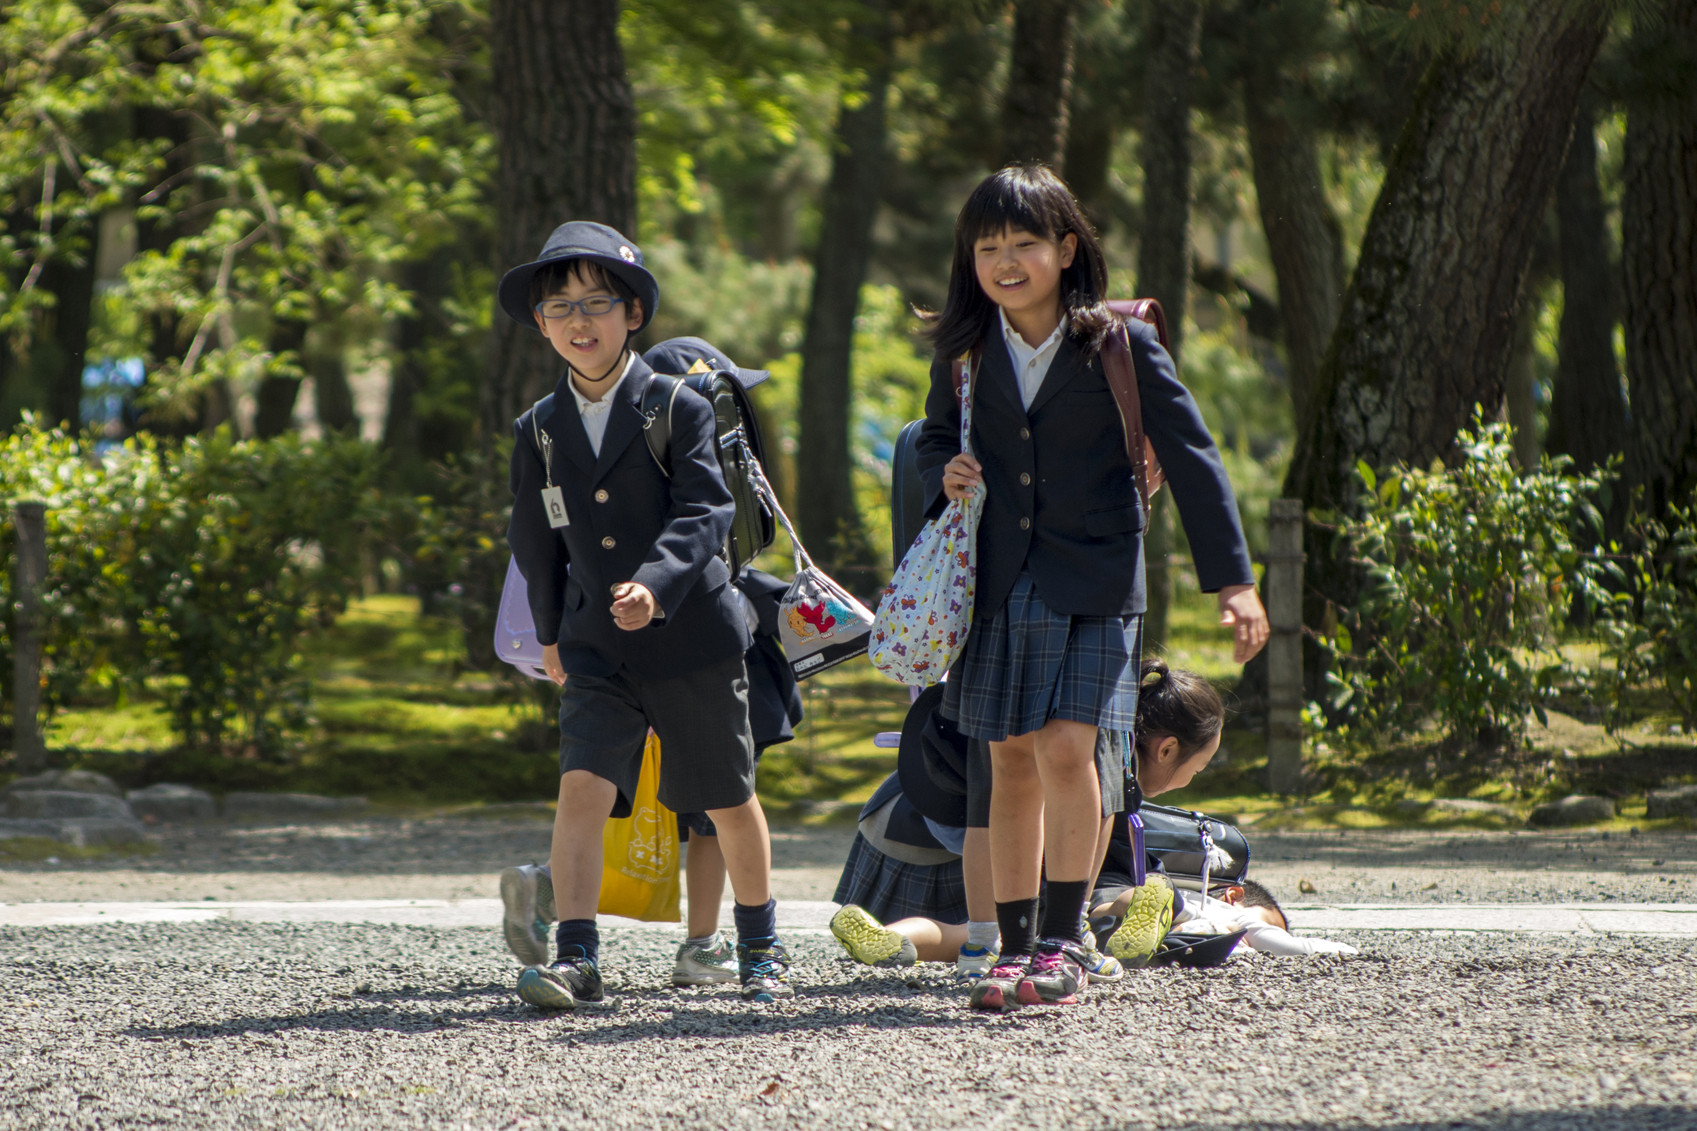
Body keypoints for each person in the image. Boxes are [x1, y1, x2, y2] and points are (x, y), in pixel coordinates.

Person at [915, 164, 1269, 1011]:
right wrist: (948, 468)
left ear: (1066, 248)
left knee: (1068, 752)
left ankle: (1063, 939)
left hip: (1099, 581)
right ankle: (1010, 946)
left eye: (1024, 243)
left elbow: (1192, 454)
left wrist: (1234, 580)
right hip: (998, 584)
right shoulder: (965, 354)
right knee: (1007, 762)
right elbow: (932, 440)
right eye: (987, 246)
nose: (1005, 260)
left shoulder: (1119, 343)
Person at [500, 222, 790, 1007]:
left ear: (632, 314)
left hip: (692, 633)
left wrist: (655, 584)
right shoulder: (538, 428)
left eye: (597, 301)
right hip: (597, 645)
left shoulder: (677, 404)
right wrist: (553, 633)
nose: (578, 319)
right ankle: (577, 955)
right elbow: (535, 540)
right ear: (540, 323)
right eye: (560, 306)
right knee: (581, 789)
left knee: (725, 793)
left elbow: (705, 510)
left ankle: (760, 946)